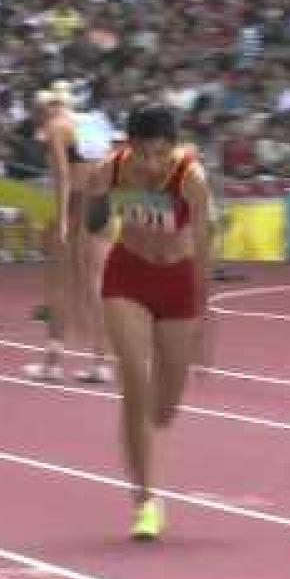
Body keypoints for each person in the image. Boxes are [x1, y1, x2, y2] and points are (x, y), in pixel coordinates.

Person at [83, 103, 213, 540]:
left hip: (177, 284)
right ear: (129, 147)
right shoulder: (111, 170)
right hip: (129, 276)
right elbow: (94, 227)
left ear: (172, 149)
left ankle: (149, 475)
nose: (152, 165)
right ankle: (146, 499)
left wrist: (206, 317)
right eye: (143, 155)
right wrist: (96, 196)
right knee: (135, 384)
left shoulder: (191, 179)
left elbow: (206, 250)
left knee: (165, 406)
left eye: (160, 154)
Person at [24, 80, 114, 383]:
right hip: (103, 201)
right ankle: (101, 363)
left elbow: (63, 176)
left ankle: (53, 361)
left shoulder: (56, 127)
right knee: (95, 283)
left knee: (58, 281)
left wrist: (62, 219)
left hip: (79, 202)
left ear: (49, 107)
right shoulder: (92, 122)